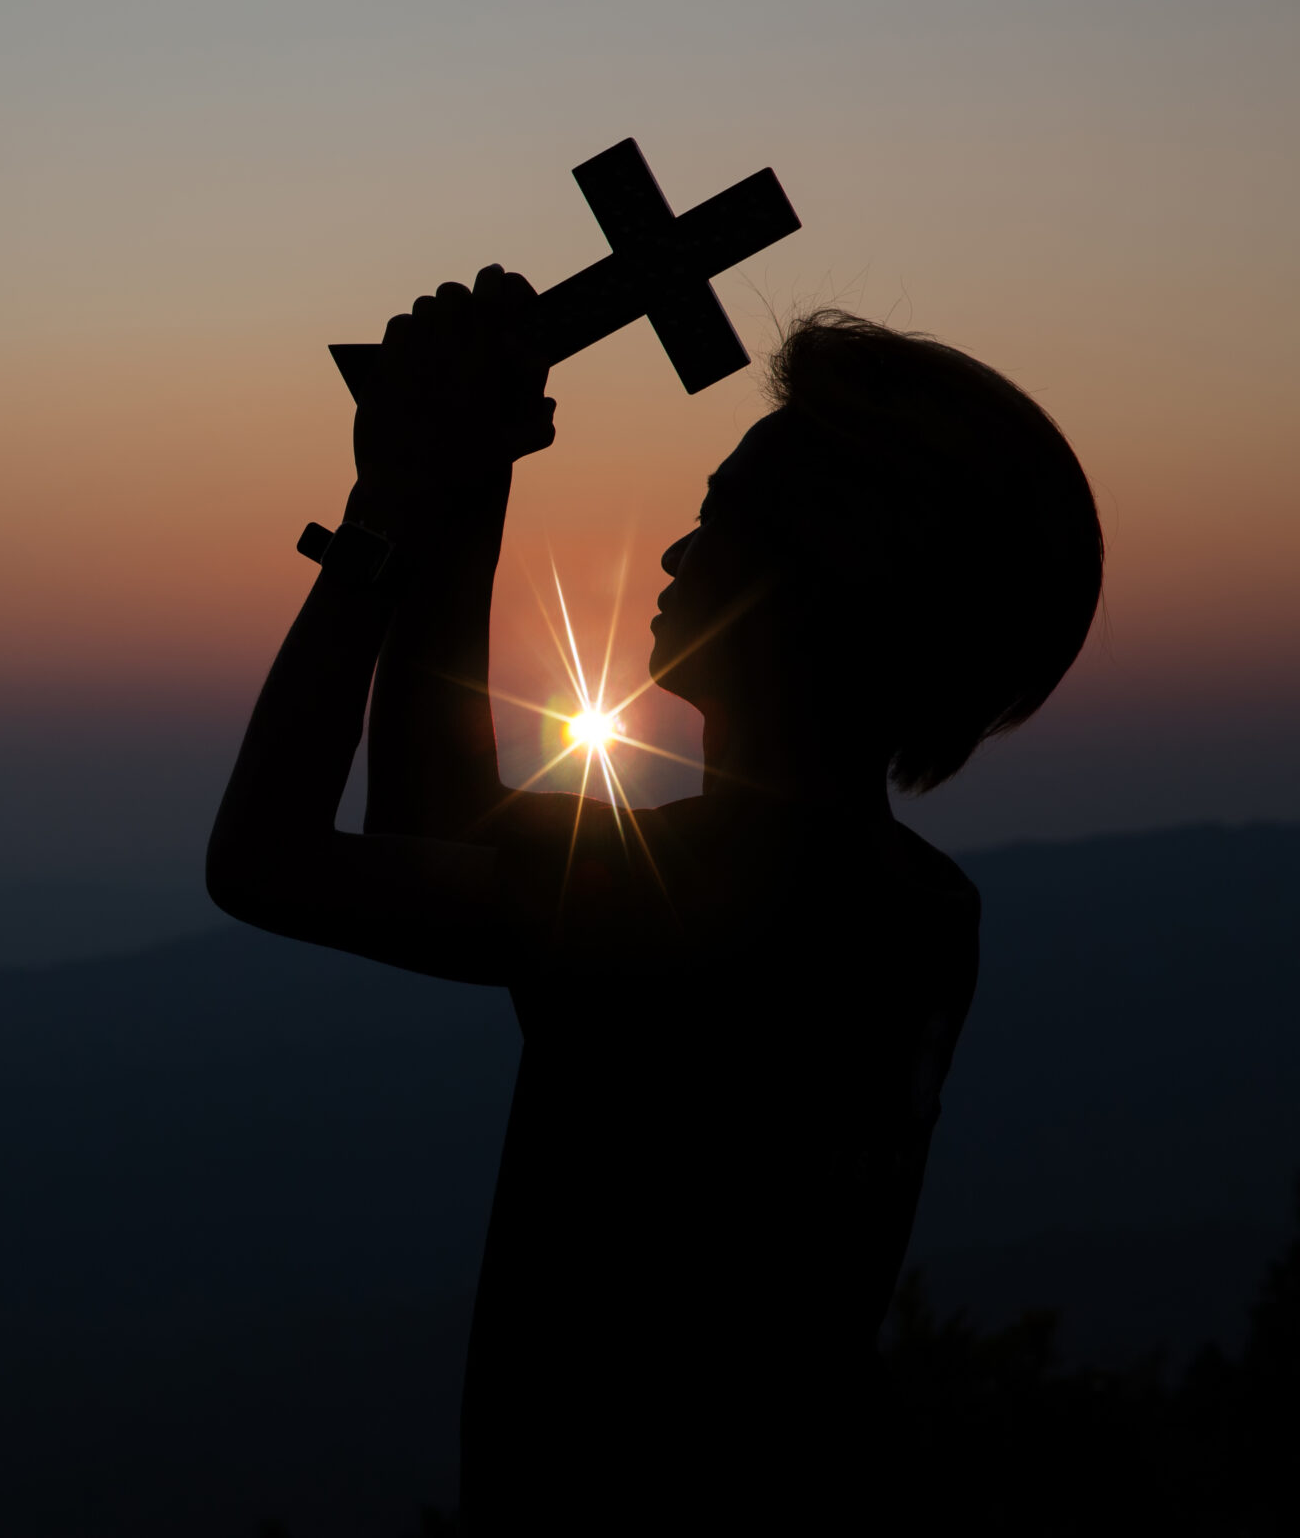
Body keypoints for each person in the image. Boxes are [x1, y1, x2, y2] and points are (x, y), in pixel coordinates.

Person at [205, 270, 1103, 1531]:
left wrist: (390, 507)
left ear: (833, 578)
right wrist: (472, 482)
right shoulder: (905, 906)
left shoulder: (721, 895)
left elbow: (263, 861)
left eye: (727, 522)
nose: (680, 550)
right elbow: (436, 826)